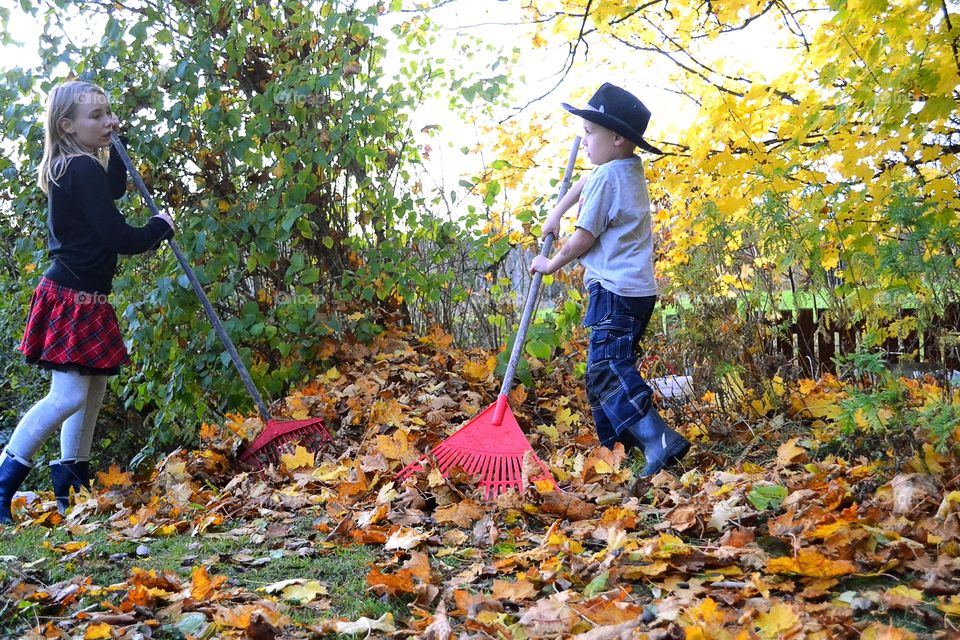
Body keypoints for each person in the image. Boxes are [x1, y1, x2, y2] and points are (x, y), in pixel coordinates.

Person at [0, 80, 175, 524]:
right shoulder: (77, 168)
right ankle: (3, 479)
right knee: (68, 396)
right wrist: (159, 227)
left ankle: (71, 492)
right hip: (71, 298)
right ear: (67, 126)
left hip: (86, 298)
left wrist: (116, 149)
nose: (108, 121)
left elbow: (111, 194)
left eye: (108, 113)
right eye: (96, 116)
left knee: (90, 394)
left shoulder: (80, 166)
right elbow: (118, 236)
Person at [531, 82, 690, 477]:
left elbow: (584, 237)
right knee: (603, 372)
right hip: (635, 292)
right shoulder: (625, 169)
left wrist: (551, 264)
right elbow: (585, 181)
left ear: (616, 137)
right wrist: (557, 211)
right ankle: (623, 450)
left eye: (589, 133)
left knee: (608, 369)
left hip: (614, 292)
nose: (583, 142)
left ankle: (658, 439)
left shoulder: (608, 178)